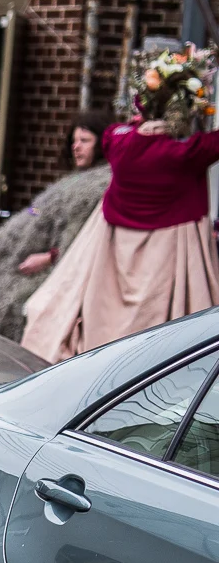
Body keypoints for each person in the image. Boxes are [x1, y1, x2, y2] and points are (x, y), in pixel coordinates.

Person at [22, 49, 219, 361]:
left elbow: (115, 132)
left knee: (106, 325)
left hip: (113, 253)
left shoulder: (118, 142)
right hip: (167, 258)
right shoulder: (186, 155)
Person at [0, 111, 110, 339]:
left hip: (46, 275)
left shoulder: (98, 185)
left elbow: (83, 240)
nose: (76, 147)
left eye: (85, 140)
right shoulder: (76, 180)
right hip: (16, 261)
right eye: (74, 140)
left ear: (101, 144)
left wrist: (49, 257)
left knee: (9, 308)